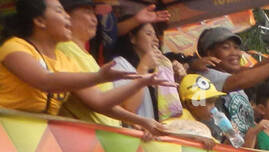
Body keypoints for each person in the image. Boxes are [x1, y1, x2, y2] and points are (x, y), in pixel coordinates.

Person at [0, 0, 157, 128]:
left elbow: (100, 101)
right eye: (60, 11)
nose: (67, 17)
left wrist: (142, 118)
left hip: (39, 140)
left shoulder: (65, 60)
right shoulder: (14, 47)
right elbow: (45, 80)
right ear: (40, 20)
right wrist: (98, 77)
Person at [191, 25, 269, 139]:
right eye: (226, 47)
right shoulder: (204, 76)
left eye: (236, 48)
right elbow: (241, 79)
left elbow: (254, 71)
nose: (235, 53)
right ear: (210, 53)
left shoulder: (235, 75)